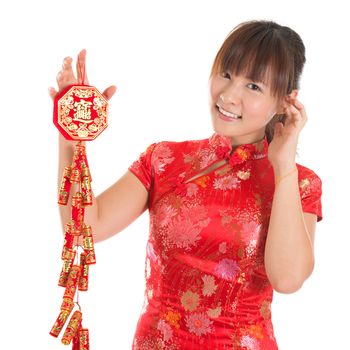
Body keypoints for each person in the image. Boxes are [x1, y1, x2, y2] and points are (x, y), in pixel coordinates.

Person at [49, 20, 323, 350]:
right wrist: (72, 133)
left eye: (253, 87)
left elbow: (288, 278)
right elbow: (82, 229)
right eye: (226, 74)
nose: (229, 95)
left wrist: (284, 167)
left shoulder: (299, 182)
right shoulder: (164, 160)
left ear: (284, 102)